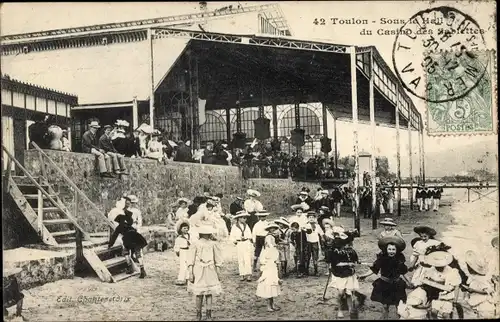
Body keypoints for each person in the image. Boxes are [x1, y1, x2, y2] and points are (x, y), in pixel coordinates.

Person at [358, 236, 411, 320]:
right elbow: (374, 269)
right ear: (386, 250)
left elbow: (404, 273)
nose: (391, 251)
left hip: (396, 284)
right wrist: (364, 275)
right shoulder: (382, 259)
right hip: (384, 283)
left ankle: (399, 315)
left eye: (393, 249)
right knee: (385, 303)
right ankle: (385, 314)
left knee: (398, 302)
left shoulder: (399, 260)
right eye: (389, 249)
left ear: (397, 250)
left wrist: (409, 282)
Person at [188, 225, 223, 321]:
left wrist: (218, 272)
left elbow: (217, 259)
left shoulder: (213, 244)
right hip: (199, 269)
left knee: (209, 292)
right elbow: (190, 259)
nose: (206, 235)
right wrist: (191, 272)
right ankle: (198, 314)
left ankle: (208, 314)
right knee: (199, 293)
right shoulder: (195, 244)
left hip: (210, 269)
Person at [108, 197, 148, 278]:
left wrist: (110, 245)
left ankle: (130, 268)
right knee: (138, 253)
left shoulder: (119, 227)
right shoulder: (129, 224)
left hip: (127, 238)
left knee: (125, 252)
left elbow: (114, 237)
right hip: (136, 236)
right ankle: (142, 270)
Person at [327, 226, 361, 319]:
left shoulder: (351, 251)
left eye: (350, 243)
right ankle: (339, 309)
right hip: (339, 274)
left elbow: (355, 261)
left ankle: (350, 309)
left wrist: (354, 263)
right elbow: (335, 264)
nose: (349, 245)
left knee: (349, 292)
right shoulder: (334, 251)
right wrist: (348, 263)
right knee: (341, 292)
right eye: (347, 243)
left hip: (349, 273)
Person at [422, 251, 462, 319]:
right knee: (433, 312)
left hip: (447, 297)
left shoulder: (452, 271)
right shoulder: (431, 270)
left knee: (446, 315)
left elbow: (456, 286)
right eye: (437, 266)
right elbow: (426, 282)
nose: (438, 268)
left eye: (440, 266)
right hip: (436, 296)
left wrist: (455, 300)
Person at [256, 223, 282, 312]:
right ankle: (268, 305)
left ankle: (272, 304)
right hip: (268, 269)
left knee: (273, 285)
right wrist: (263, 268)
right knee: (268, 286)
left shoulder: (274, 250)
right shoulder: (265, 251)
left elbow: (276, 260)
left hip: (273, 268)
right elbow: (262, 261)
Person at [462, 250, 496, 318]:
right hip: (481, 308)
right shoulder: (474, 278)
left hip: (485, 307)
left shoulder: (481, 279)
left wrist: (474, 290)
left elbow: (488, 291)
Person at [229, 211, 254, 282]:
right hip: (239, 243)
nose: (245, 219)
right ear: (239, 218)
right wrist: (236, 240)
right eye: (243, 218)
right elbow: (232, 236)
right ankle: (242, 275)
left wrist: (246, 237)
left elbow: (250, 234)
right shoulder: (234, 226)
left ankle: (248, 275)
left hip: (246, 243)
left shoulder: (247, 226)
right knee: (241, 259)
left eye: (245, 218)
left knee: (247, 259)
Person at [304, 211, 324, 276]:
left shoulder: (317, 226)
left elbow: (321, 234)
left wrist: (323, 240)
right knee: (307, 257)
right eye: (310, 217)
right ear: (307, 218)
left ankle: (316, 271)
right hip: (308, 243)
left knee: (315, 257)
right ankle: (306, 270)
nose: (311, 219)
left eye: (313, 217)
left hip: (315, 242)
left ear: (315, 218)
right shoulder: (305, 225)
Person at [173, 219, 191, 286]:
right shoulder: (179, 238)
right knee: (183, 265)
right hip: (182, 251)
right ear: (180, 229)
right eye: (184, 228)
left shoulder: (189, 236)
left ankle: (188, 278)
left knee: (189, 264)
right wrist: (177, 251)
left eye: (187, 228)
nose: (186, 229)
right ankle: (181, 278)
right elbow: (176, 246)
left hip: (189, 251)